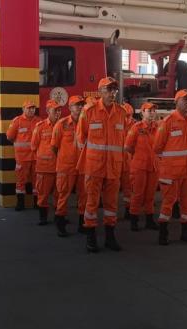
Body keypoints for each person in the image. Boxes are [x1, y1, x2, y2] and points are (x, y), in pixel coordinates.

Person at [76, 77, 128, 252]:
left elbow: (124, 140)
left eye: (114, 90)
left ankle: (110, 238)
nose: (112, 93)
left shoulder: (121, 113)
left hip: (113, 167)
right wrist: (90, 157)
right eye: (108, 90)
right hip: (94, 167)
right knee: (91, 203)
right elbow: (80, 138)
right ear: (100, 92)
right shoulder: (89, 111)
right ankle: (90, 237)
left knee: (112, 204)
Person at [153, 89, 187, 245]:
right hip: (171, 173)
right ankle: (163, 232)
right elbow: (157, 148)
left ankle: (186, 232)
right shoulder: (168, 122)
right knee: (168, 203)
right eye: (185, 99)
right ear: (176, 101)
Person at [51, 95, 86, 236]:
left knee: (84, 196)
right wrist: (64, 158)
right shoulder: (61, 124)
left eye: (81, 105)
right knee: (63, 196)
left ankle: (83, 224)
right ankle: (60, 222)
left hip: (83, 166)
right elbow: (54, 146)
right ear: (70, 107)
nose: (80, 107)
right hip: (66, 167)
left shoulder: (87, 124)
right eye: (77, 105)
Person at [125, 102, 160, 231]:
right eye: (149, 111)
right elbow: (128, 147)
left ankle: (149, 220)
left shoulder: (158, 128)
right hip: (139, 167)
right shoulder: (136, 128)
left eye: (153, 111)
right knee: (138, 194)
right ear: (142, 113)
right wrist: (140, 157)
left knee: (150, 194)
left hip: (153, 167)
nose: (152, 113)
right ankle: (134, 219)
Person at [31, 99, 61, 225]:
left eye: (59, 110)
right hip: (45, 168)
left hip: (61, 168)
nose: (58, 113)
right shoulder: (40, 126)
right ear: (48, 111)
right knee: (43, 195)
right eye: (55, 110)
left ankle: (58, 217)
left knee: (59, 196)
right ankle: (43, 218)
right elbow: (33, 146)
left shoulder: (64, 125)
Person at [6, 100, 39, 210]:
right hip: (22, 158)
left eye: (33, 108)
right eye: (29, 108)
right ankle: (20, 204)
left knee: (37, 181)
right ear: (23, 109)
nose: (31, 110)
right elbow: (9, 137)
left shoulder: (39, 121)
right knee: (21, 181)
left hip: (36, 158)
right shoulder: (17, 121)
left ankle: (37, 203)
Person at [120, 102, 136, 219]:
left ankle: (127, 208)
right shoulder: (115, 123)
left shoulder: (135, 126)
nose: (127, 118)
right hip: (115, 161)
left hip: (128, 162)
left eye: (129, 116)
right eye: (125, 116)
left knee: (128, 188)